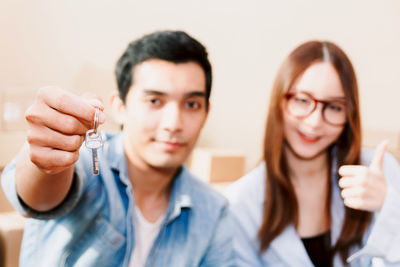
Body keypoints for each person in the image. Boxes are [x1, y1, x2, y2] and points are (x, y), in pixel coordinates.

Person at [1, 30, 234, 266]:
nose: (173, 123)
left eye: (192, 104)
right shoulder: (85, 162)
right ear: (119, 107)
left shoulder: (214, 212)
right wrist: (46, 160)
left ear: (206, 113)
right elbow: (39, 197)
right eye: (155, 101)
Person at [225, 41, 400, 266]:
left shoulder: (380, 172)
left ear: (349, 115)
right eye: (302, 100)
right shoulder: (241, 202)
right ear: (279, 102)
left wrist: (390, 208)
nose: (315, 121)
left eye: (334, 107)